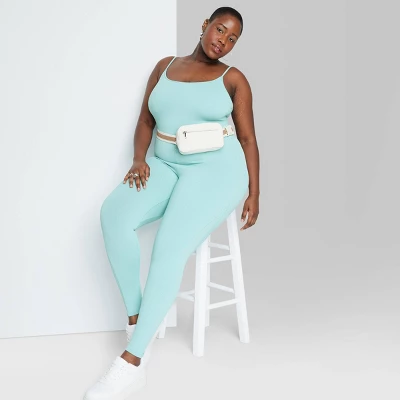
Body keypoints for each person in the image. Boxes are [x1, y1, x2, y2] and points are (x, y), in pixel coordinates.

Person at [83, 6, 260, 399]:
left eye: (232, 38)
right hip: (165, 162)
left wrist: (255, 192)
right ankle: (138, 320)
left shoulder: (233, 79)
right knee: (114, 214)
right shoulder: (164, 67)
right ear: (205, 25)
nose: (223, 41)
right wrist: (139, 159)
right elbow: (146, 120)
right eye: (220, 30)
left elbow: (248, 138)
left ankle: (132, 363)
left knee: (169, 247)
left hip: (217, 170)